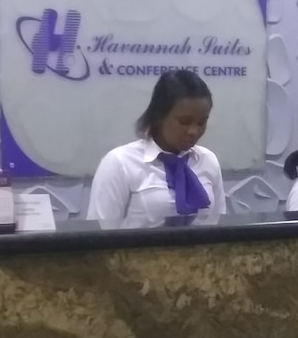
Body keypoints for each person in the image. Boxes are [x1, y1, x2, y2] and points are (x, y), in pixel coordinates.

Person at [87, 70, 225, 226]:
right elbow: (100, 231)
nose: (193, 131)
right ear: (159, 115)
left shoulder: (207, 160)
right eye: (184, 122)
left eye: (201, 123)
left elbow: (219, 224)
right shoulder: (120, 163)